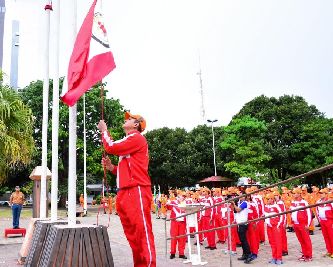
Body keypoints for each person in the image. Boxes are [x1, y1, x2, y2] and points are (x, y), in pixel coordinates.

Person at [98, 111, 156, 267]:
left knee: (142, 232)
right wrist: (111, 167)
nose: (126, 119)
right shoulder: (129, 140)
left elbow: (111, 147)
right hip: (125, 190)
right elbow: (125, 170)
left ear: (136, 124)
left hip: (136, 189)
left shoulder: (136, 137)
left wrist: (104, 131)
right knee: (133, 235)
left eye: (129, 118)